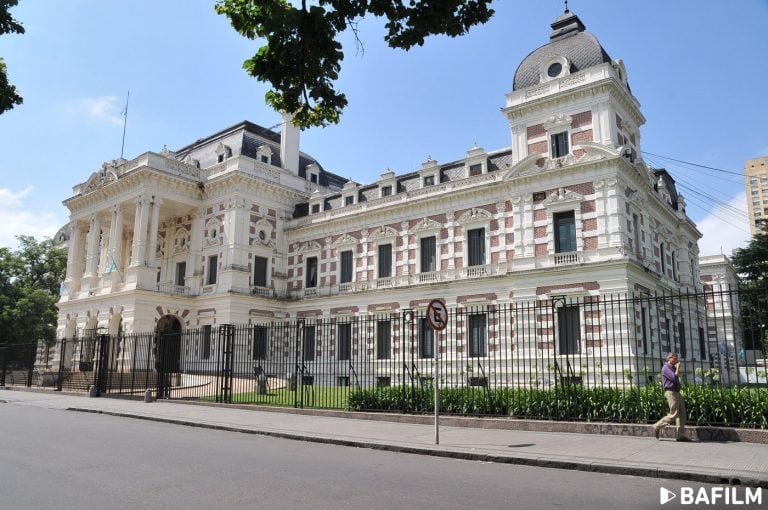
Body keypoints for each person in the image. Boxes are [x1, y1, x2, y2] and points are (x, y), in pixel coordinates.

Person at [652, 352, 691, 441]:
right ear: (670, 358)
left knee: (682, 414)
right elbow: (674, 378)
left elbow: (676, 379)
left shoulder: (673, 368)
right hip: (671, 392)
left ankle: (680, 435)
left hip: (676, 392)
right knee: (674, 414)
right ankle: (656, 426)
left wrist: (676, 368)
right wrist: (677, 368)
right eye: (675, 358)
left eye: (677, 358)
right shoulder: (666, 368)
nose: (677, 360)